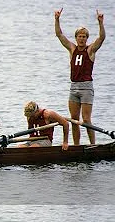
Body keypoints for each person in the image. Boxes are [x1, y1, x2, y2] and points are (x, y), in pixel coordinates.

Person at [55, 8, 105, 145]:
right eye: (79, 36)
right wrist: (57, 19)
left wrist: (100, 23)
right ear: (76, 38)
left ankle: (92, 144)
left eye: (84, 36)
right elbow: (59, 35)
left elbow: (101, 38)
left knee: (86, 119)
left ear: (86, 38)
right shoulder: (72, 49)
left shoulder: (90, 50)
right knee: (74, 119)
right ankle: (76, 146)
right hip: (73, 87)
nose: (81, 38)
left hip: (86, 87)